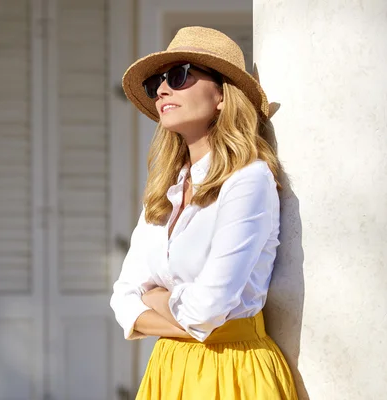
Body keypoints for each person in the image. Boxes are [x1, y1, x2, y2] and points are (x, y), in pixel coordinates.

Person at [110, 26, 298, 399]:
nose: (162, 90)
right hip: (169, 368)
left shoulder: (249, 181)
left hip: (232, 372)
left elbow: (208, 309)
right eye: (156, 83)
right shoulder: (165, 189)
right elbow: (123, 297)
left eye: (179, 76)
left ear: (222, 96)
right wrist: (186, 318)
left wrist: (157, 299)